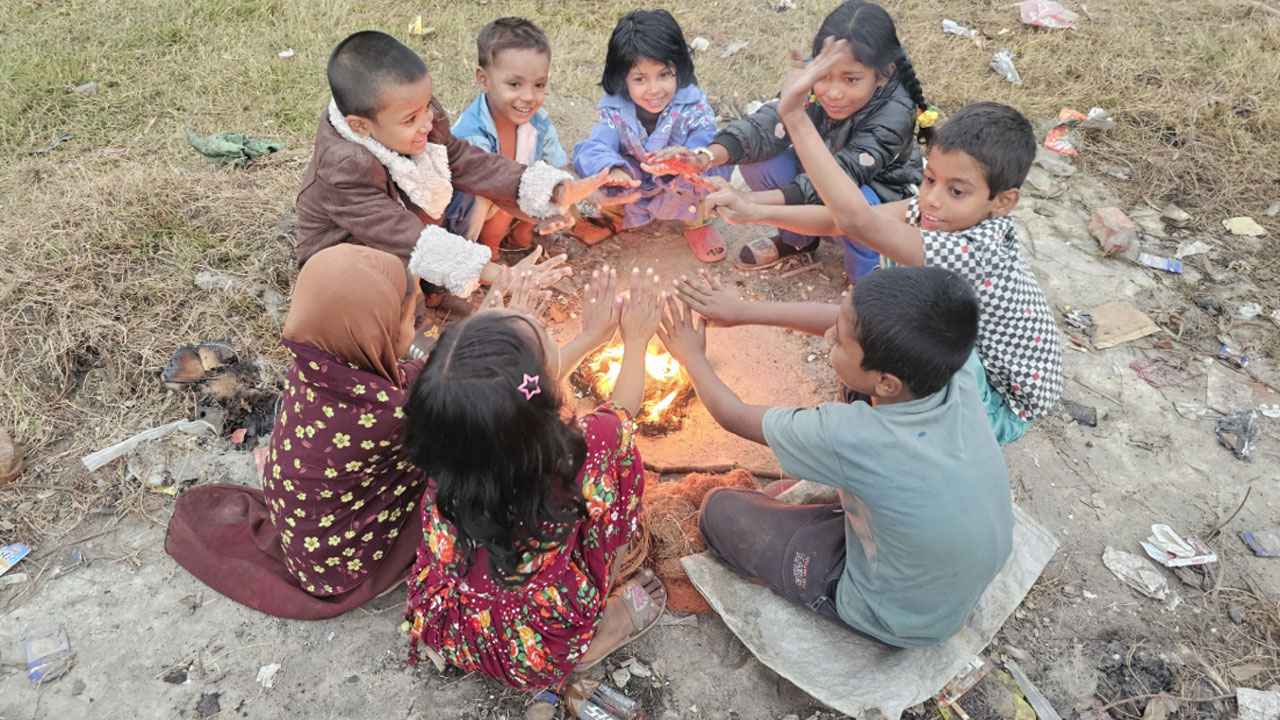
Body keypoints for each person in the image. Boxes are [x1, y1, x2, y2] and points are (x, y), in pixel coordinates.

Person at [706, 45, 1063, 443]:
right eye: (930, 179)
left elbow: (857, 221)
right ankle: (879, 394)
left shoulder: (975, 251)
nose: (932, 199)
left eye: (957, 191)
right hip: (962, 353)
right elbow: (840, 221)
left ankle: (909, 435)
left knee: (885, 331)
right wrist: (751, 210)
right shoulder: (936, 215)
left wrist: (794, 117)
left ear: (1003, 201)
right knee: (877, 308)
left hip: (998, 401)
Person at [657, 267, 1013, 648]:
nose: (829, 337)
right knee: (852, 410)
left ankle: (838, 590)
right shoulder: (954, 367)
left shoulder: (855, 436)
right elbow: (848, 321)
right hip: (944, 578)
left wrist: (691, 356)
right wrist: (742, 311)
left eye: (840, 343)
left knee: (719, 511)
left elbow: (733, 415)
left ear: (887, 383)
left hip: (896, 614)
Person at [403, 267, 669, 694]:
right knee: (620, 460)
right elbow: (621, 414)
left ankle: (468, 646)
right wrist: (635, 341)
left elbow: (511, 405)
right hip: (533, 644)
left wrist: (592, 338)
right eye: (546, 338)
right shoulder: (579, 453)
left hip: (449, 619)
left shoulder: (451, 444)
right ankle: (592, 641)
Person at [165, 244, 431, 618]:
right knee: (459, 473)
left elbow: (412, 379)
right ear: (377, 329)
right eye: (407, 320)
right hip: (342, 565)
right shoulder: (388, 415)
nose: (416, 327)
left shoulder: (315, 367)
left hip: (306, 537)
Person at [295, 30, 635, 304]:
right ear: (360, 126)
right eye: (411, 119)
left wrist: (556, 189)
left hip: (406, 225)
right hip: (351, 258)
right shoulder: (344, 167)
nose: (428, 121)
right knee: (387, 276)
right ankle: (411, 332)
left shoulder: (414, 110)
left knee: (474, 192)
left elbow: (466, 162)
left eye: (428, 106)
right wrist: (501, 276)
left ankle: (436, 292)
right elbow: (402, 236)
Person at [679, 0, 929, 277]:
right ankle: (797, 242)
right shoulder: (810, 81)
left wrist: (749, 203)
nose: (833, 93)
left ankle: (868, 277)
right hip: (818, 181)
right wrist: (706, 156)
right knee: (761, 161)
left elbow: (842, 179)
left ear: (883, 74)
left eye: (851, 80)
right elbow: (768, 123)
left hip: (877, 197)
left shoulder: (896, 113)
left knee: (860, 207)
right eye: (824, 77)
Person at [443, 18, 624, 254]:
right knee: (496, 192)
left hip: (513, 201)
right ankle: (487, 253)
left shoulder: (538, 120)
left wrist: (586, 192)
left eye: (539, 85)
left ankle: (520, 237)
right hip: (467, 213)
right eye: (515, 84)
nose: (529, 96)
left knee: (549, 178)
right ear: (483, 79)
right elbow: (497, 191)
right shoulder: (472, 134)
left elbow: (558, 166)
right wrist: (543, 211)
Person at [572, 9, 729, 263]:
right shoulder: (615, 109)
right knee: (600, 171)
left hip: (679, 177)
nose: (654, 89)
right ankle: (615, 217)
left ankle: (696, 222)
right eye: (640, 79)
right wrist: (612, 169)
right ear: (622, 78)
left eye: (664, 75)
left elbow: (706, 136)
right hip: (639, 177)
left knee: (705, 171)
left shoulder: (692, 104)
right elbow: (597, 144)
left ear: (679, 69)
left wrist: (689, 157)